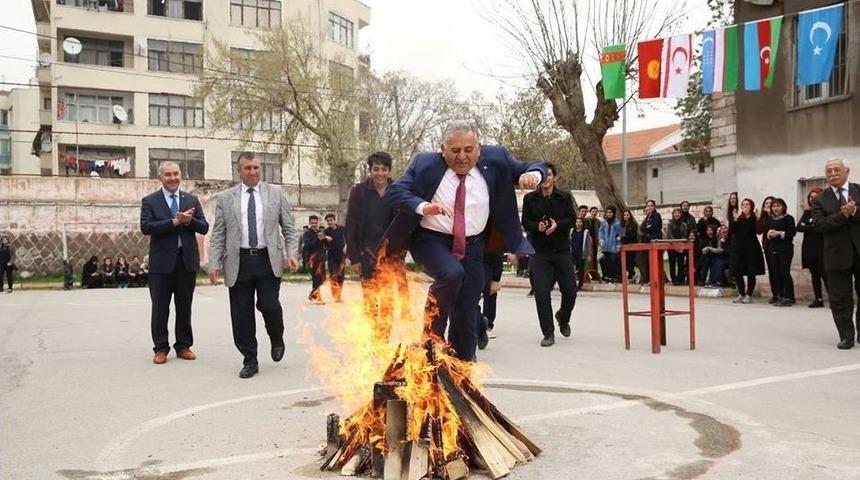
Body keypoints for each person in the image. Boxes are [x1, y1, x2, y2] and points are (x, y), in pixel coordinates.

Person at [382, 120, 546, 360]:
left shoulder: (496, 158)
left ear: (479, 148)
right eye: (455, 151)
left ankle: (462, 364)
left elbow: (534, 166)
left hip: (474, 245)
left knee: (467, 307)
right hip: (431, 240)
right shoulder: (424, 163)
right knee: (451, 274)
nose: (462, 157)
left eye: (468, 150)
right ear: (442, 149)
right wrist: (424, 207)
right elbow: (395, 192)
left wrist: (533, 175)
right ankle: (429, 338)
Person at [208, 151, 300, 377]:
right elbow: (219, 233)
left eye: (256, 167)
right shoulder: (226, 198)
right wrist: (213, 263)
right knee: (241, 314)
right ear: (239, 171)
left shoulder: (275, 194)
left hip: (267, 260)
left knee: (270, 305)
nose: (253, 171)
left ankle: (276, 337)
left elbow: (288, 227)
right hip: (238, 261)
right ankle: (250, 359)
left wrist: (292, 253)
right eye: (247, 168)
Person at [140, 161, 209, 365]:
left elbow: (204, 227)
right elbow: (146, 227)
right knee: (160, 307)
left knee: (184, 306)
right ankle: (160, 348)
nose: (172, 178)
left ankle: (183, 345)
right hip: (161, 264)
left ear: (181, 175)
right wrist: (174, 222)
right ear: (159, 177)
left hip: (186, 262)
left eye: (176, 174)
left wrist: (190, 222)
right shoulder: (150, 201)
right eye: (167, 174)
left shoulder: (191, 199)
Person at [345, 151, 410, 341]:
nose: (379, 173)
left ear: (389, 171)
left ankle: (384, 336)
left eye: (383, 169)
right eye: (376, 169)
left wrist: (403, 252)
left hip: (392, 256)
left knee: (388, 299)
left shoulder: (398, 190)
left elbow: (405, 223)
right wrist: (354, 256)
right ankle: (374, 336)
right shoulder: (359, 192)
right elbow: (351, 225)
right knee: (371, 298)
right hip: (367, 255)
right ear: (370, 170)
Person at [521, 162, 576, 347]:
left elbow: (572, 219)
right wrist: (538, 226)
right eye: (543, 175)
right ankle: (548, 332)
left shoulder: (565, 197)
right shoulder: (530, 199)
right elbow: (525, 221)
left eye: (550, 175)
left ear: (555, 178)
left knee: (570, 290)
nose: (547, 178)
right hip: (540, 253)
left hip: (561, 251)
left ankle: (563, 316)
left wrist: (557, 225)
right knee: (541, 293)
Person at [812, 158, 860, 349]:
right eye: (829, 171)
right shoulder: (820, 199)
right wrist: (843, 215)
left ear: (846, 171)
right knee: (840, 298)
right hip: (836, 255)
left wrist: (854, 211)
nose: (833, 174)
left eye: (837, 170)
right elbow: (819, 225)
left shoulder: (858, 190)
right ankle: (846, 336)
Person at [729, 198, 765, 304]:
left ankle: (749, 294)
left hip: (751, 248)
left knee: (751, 272)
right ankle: (741, 294)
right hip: (738, 247)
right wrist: (734, 220)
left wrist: (758, 219)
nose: (745, 206)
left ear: (751, 206)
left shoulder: (754, 218)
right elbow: (731, 231)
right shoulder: (738, 218)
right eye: (743, 204)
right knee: (738, 271)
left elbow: (759, 231)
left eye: (747, 204)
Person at [797, 187, 827, 308]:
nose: (812, 199)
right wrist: (812, 226)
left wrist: (809, 226)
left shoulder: (826, 212)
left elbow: (823, 227)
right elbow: (799, 227)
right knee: (814, 275)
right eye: (810, 197)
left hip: (822, 247)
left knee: (825, 274)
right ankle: (818, 299)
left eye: (815, 196)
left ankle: (834, 299)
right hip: (809, 248)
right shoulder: (807, 212)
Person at [764, 198, 796, 307]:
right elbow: (766, 233)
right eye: (774, 206)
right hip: (773, 248)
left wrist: (779, 233)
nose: (776, 208)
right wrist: (769, 234)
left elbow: (792, 233)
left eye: (778, 206)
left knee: (784, 272)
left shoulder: (789, 218)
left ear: (783, 207)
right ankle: (780, 295)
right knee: (776, 273)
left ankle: (789, 297)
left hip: (785, 249)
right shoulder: (770, 219)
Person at [757, 196, 779, 304]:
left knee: (780, 271)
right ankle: (775, 294)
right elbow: (760, 231)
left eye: (770, 203)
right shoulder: (764, 217)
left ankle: (785, 294)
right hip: (767, 245)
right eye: (766, 204)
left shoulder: (778, 216)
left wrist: (770, 214)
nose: (768, 206)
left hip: (779, 246)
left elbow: (774, 226)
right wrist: (759, 218)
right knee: (771, 270)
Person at [302, 215, 327, 305]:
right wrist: (317, 238)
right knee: (316, 279)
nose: (314, 225)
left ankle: (313, 294)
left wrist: (325, 239)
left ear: (318, 223)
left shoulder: (320, 232)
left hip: (321, 259)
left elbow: (324, 245)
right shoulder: (307, 233)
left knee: (322, 279)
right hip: (312, 259)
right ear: (309, 223)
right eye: (312, 223)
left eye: (315, 223)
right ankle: (317, 298)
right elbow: (308, 245)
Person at [639, 199, 665, 284]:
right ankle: (649, 279)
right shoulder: (647, 217)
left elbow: (655, 227)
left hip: (655, 241)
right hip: (647, 242)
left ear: (654, 207)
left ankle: (656, 279)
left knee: (655, 261)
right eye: (648, 206)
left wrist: (648, 228)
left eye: (651, 206)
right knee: (648, 261)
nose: (649, 207)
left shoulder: (657, 215)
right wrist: (648, 228)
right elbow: (642, 228)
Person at [323, 213, 346, 303]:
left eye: (331, 220)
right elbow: (321, 240)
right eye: (328, 221)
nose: (329, 222)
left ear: (334, 220)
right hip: (331, 256)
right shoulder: (326, 231)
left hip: (341, 256)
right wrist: (325, 238)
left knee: (341, 276)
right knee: (333, 275)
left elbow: (347, 238)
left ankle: (339, 295)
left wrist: (346, 246)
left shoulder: (341, 229)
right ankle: (334, 294)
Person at [598, 205, 622, 283]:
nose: (609, 214)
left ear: (614, 213)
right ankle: (607, 276)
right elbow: (600, 232)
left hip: (614, 246)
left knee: (613, 262)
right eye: (607, 212)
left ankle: (613, 277)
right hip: (605, 246)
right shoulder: (604, 222)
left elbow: (620, 234)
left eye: (610, 212)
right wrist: (601, 240)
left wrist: (618, 243)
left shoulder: (617, 223)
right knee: (604, 261)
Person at [666, 208, 689, 285]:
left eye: (678, 213)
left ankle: (680, 279)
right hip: (671, 246)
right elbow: (669, 235)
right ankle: (674, 279)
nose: (677, 214)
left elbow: (685, 235)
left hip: (681, 246)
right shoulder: (669, 223)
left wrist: (680, 244)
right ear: (673, 214)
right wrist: (675, 244)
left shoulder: (684, 224)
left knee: (680, 263)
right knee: (672, 263)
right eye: (675, 213)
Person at [570, 217, 591, 289]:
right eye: (577, 222)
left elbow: (588, 244)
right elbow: (569, 242)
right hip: (573, 253)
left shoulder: (586, 232)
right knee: (572, 269)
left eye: (580, 222)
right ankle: (572, 283)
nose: (578, 224)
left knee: (580, 269)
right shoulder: (571, 231)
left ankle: (580, 284)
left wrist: (589, 255)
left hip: (581, 254)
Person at [620, 210, 639, 282]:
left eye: (627, 215)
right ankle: (629, 275)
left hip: (631, 245)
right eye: (625, 215)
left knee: (631, 262)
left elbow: (632, 235)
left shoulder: (633, 224)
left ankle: (632, 276)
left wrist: (624, 237)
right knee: (625, 262)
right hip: (623, 246)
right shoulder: (621, 224)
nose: (626, 216)